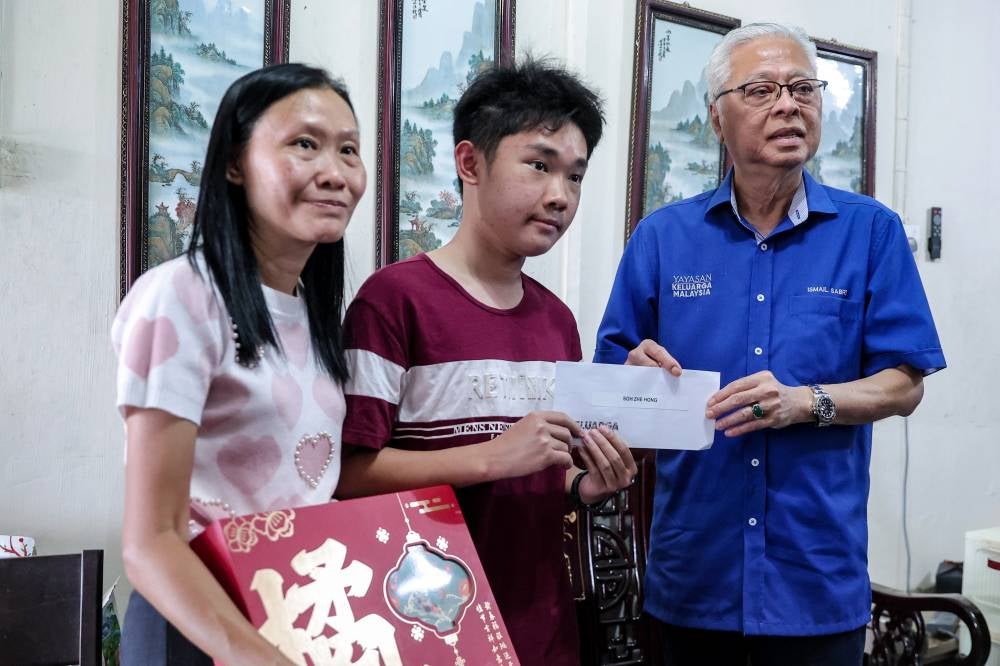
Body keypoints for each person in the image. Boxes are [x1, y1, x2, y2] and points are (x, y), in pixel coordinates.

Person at [595, 23, 945, 666]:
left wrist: (806, 402)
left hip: (815, 582)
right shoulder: (662, 238)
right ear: (716, 119)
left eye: (803, 88)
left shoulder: (871, 233)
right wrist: (633, 374)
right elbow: (611, 383)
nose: (789, 104)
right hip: (694, 582)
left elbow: (906, 382)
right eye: (761, 90)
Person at [335, 59, 638, 666]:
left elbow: (542, 477)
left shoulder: (557, 321)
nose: (560, 196)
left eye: (575, 177)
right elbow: (347, 475)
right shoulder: (392, 302)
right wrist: (490, 458)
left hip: (543, 630)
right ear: (470, 164)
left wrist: (584, 486)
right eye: (539, 165)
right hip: (425, 633)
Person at [112, 63, 366, 665]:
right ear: (234, 163)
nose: (335, 174)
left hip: (291, 609)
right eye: (304, 145)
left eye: (349, 150)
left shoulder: (315, 313)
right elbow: (151, 541)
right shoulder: (180, 296)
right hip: (200, 622)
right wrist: (252, 654)